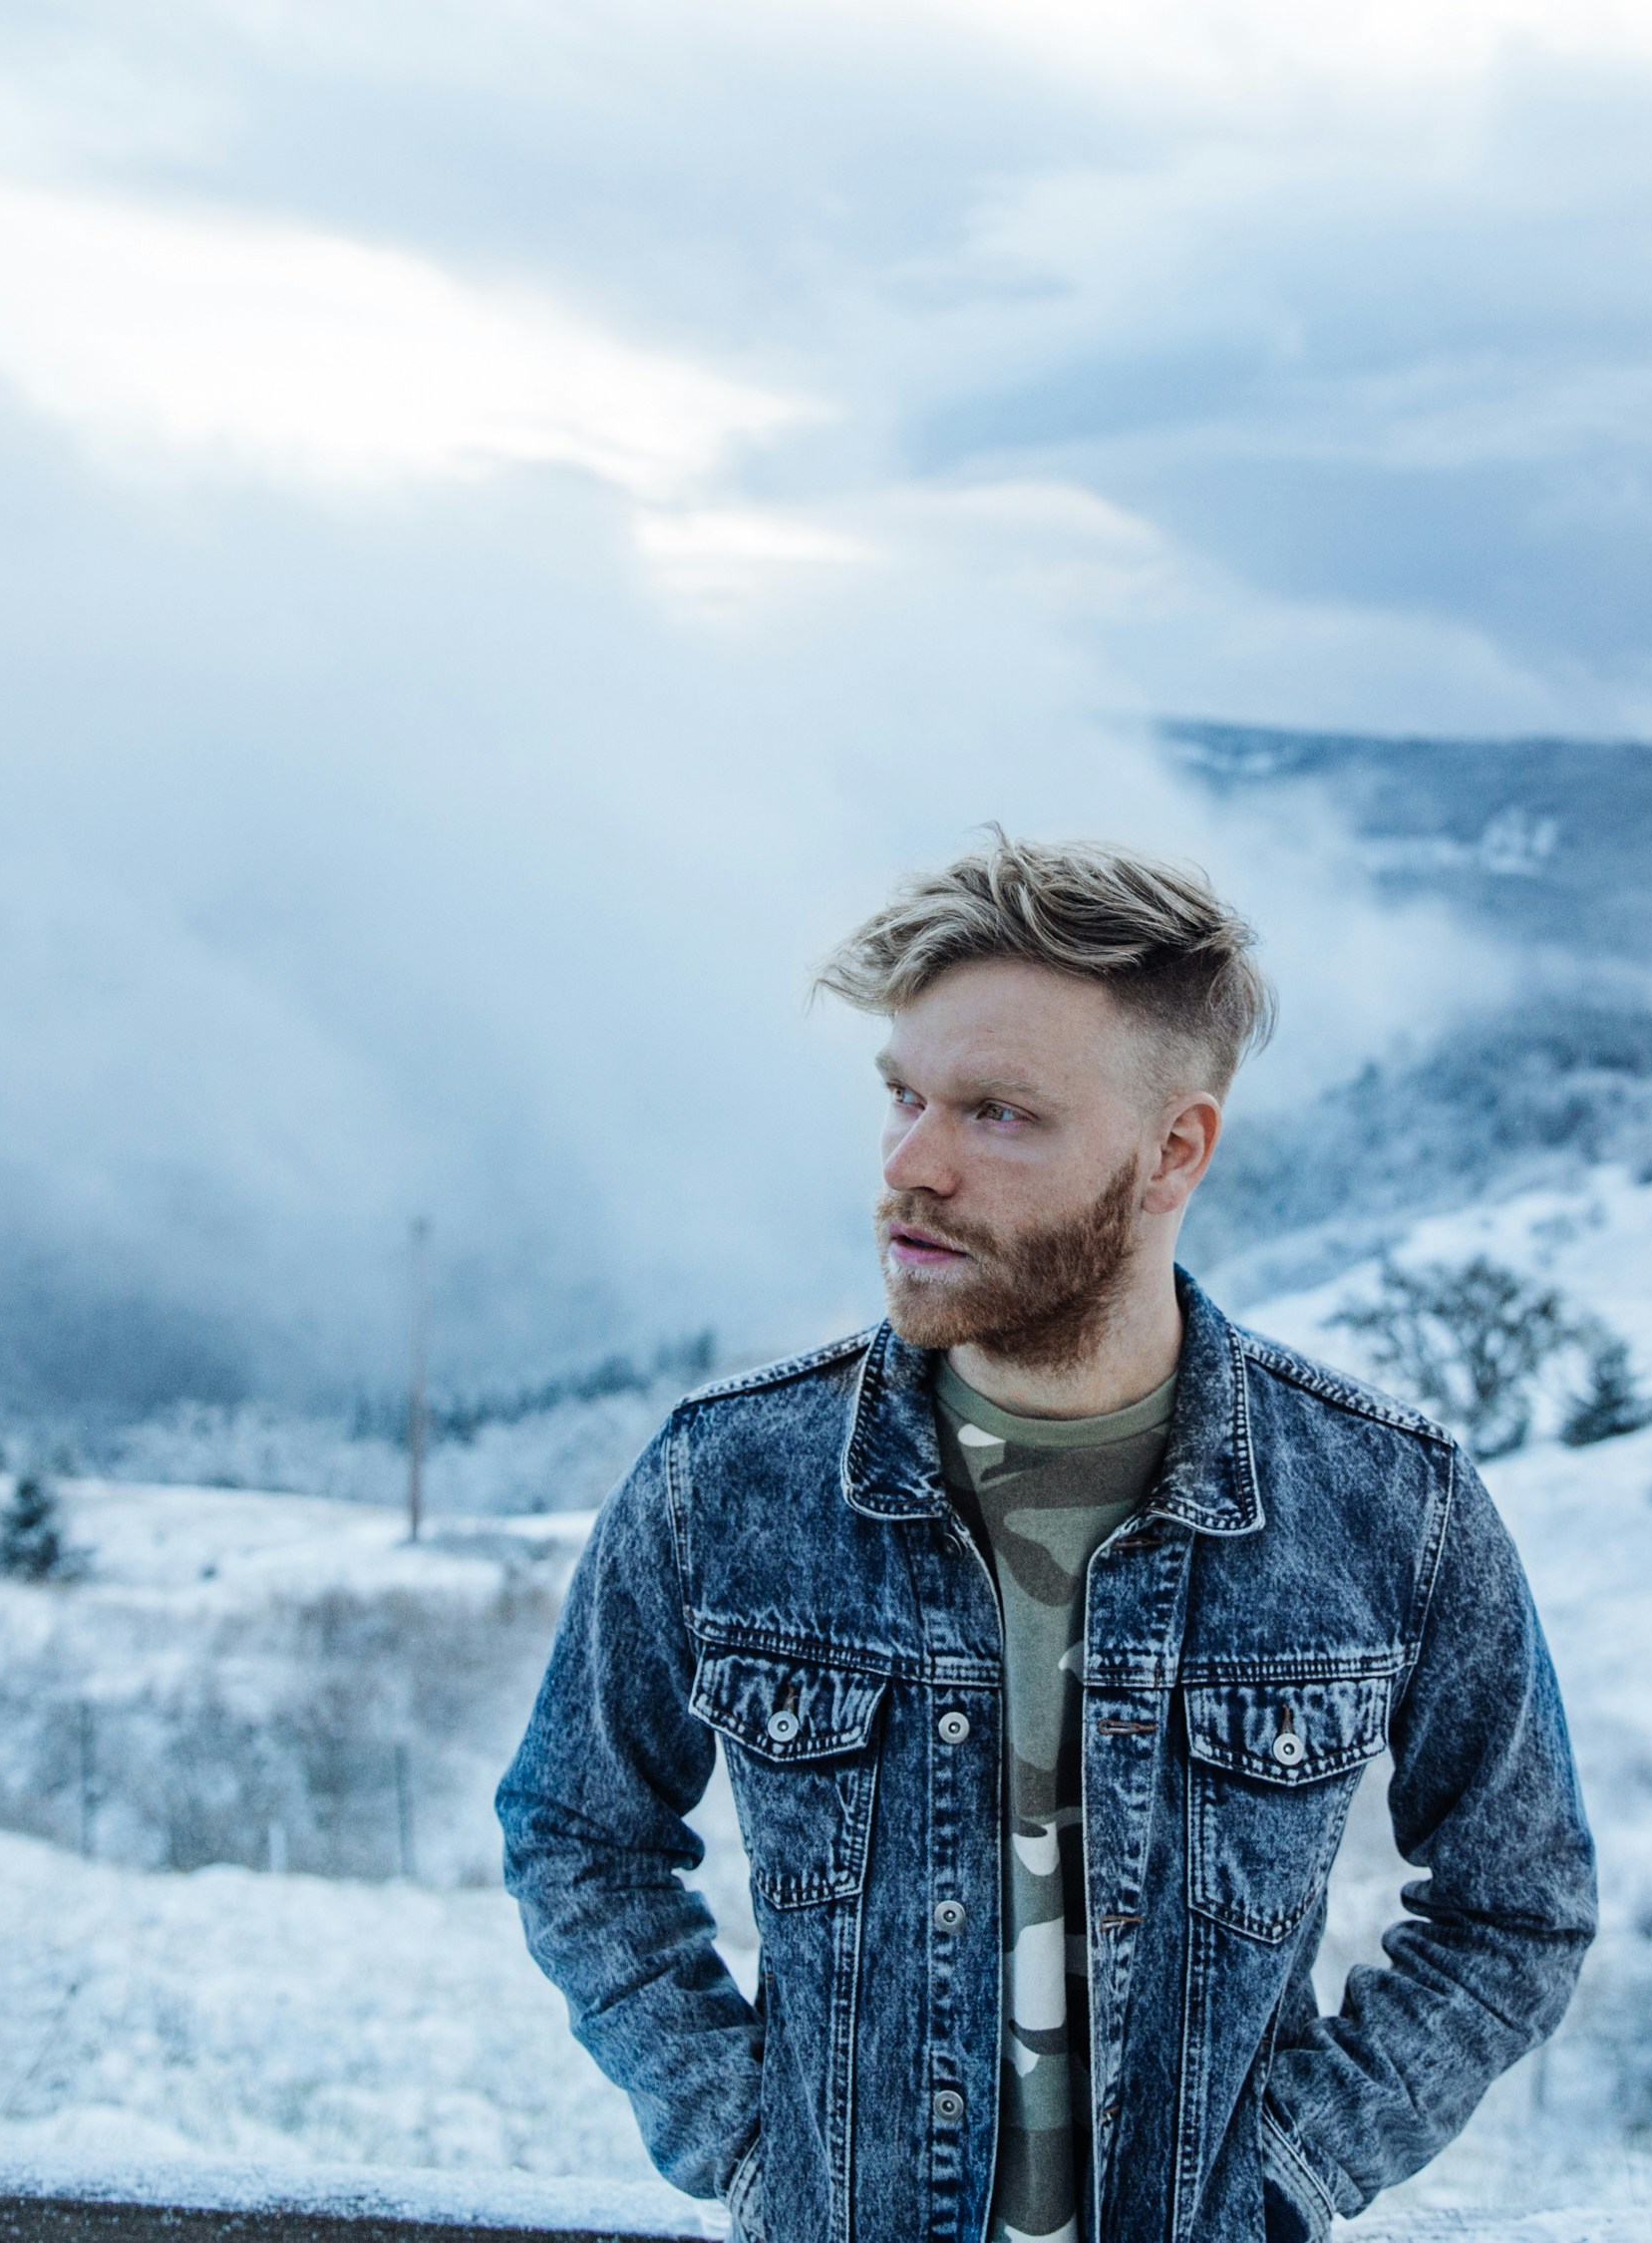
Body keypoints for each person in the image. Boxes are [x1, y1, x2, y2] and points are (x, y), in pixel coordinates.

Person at [498, 832, 1594, 2243]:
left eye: (998, 1114)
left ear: (1171, 1151)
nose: (913, 1166)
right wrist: (754, 2146)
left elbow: (1519, 1903)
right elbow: (574, 1828)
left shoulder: (1392, 1505)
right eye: (901, 1098)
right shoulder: (728, 1480)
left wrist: (1288, 2177)